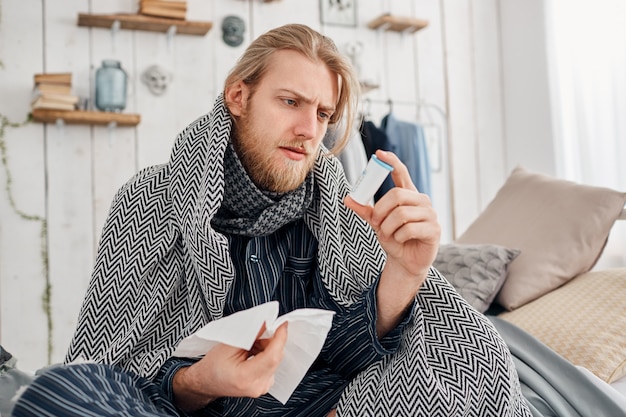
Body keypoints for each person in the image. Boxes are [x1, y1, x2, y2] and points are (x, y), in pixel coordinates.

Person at [12, 24, 532, 417]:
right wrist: (201, 381)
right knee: (57, 392)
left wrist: (405, 272)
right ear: (238, 96)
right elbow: (110, 370)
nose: (310, 131)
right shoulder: (149, 199)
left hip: (327, 406)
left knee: (474, 352)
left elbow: (348, 353)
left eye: (324, 114)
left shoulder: (339, 204)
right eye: (290, 102)